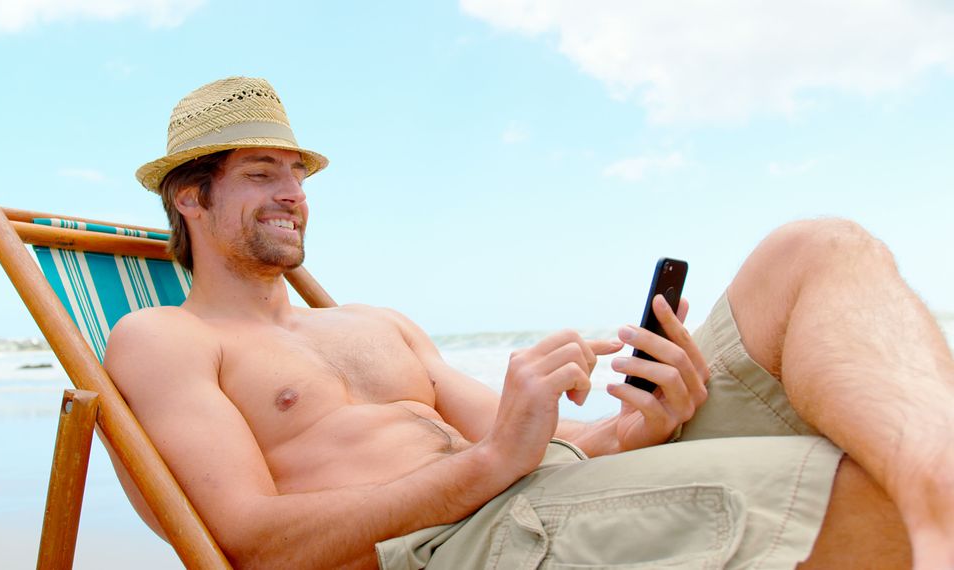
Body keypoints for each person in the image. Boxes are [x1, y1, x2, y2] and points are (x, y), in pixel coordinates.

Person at [105, 76, 954, 569]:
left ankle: (936, 495)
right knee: (851, 477)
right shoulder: (164, 341)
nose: (293, 194)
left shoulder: (374, 325)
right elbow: (245, 542)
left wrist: (636, 424)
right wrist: (491, 463)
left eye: (297, 173)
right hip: (454, 546)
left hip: (535, 497)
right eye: (262, 174)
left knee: (814, 250)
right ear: (192, 196)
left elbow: (541, 449)